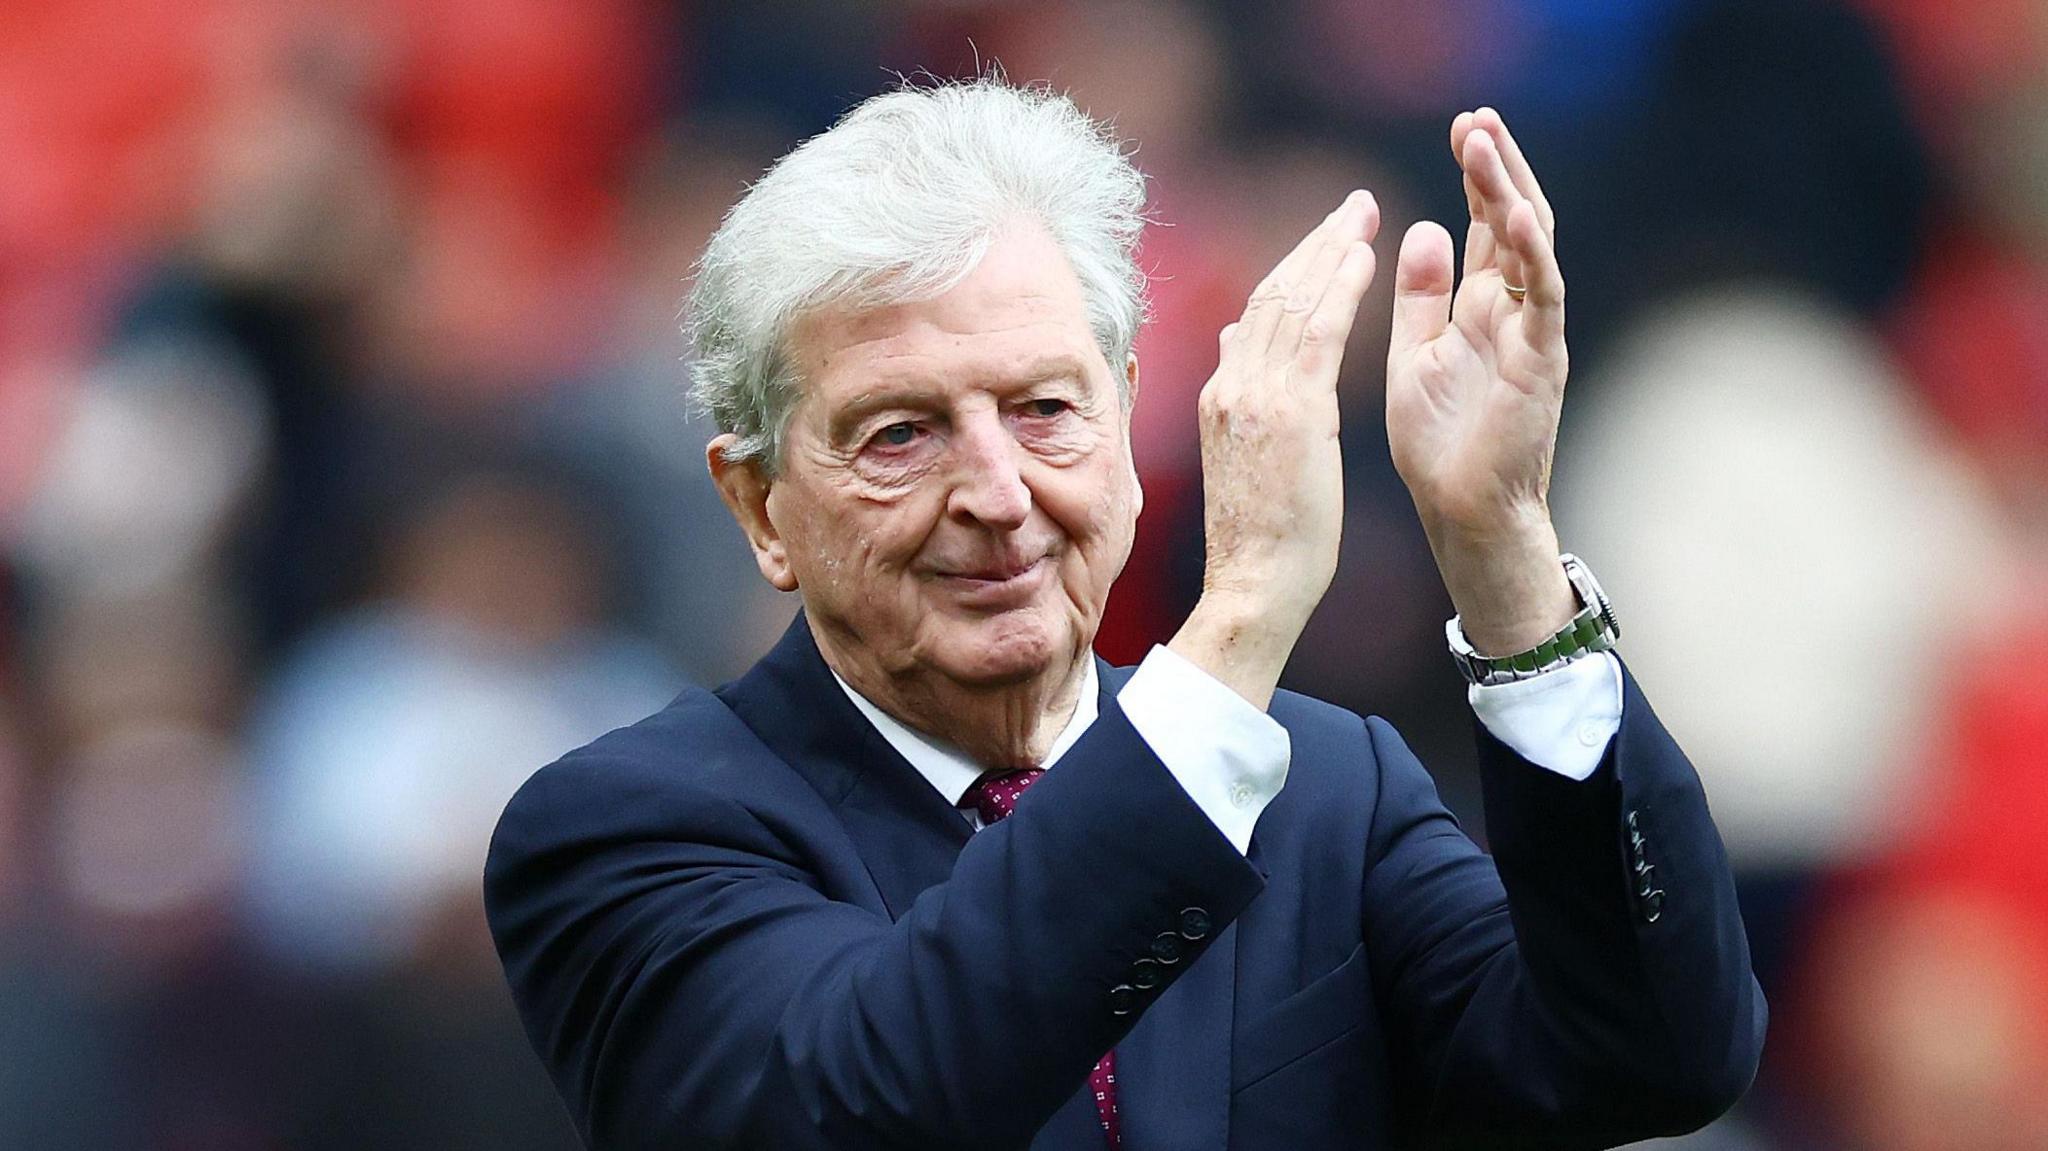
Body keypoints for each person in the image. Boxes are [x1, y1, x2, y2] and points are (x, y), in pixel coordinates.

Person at [484, 78, 1765, 1150]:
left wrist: (1501, 554)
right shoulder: (625, 828)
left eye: (1044, 408)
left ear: (1128, 418)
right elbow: (868, 1102)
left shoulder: (1331, 789)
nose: (995, 492)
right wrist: (1247, 601)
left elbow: (1647, 1057)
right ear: (760, 504)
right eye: (900, 433)